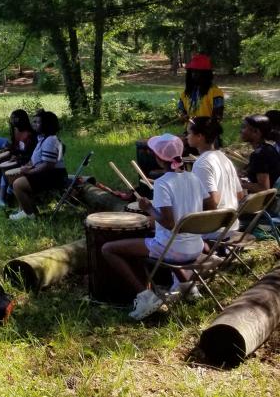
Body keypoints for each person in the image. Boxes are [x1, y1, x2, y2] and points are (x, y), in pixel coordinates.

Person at [101, 134, 206, 319]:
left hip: (173, 249)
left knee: (109, 249)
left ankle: (145, 297)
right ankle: (190, 289)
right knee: (166, 242)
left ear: (158, 158)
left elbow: (168, 222)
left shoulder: (163, 183)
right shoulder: (194, 178)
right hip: (195, 246)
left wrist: (148, 207)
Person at [186, 117, 243, 240]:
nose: (186, 137)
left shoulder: (202, 163)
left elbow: (213, 202)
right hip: (232, 225)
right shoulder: (224, 158)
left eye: (189, 133)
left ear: (199, 136)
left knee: (166, 226)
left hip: (214, 230)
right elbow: (239, 195)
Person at [9, 111, 67, 221]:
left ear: (46, 124)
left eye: (37, 122)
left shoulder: (50, 140)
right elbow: (36, 160)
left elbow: (48, 165)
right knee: (17, 178)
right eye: (34, 121)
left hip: (53, 176)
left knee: (18, 184)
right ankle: (27, 210)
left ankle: (30, 215)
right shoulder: (42, 139)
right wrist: (28, 166)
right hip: (47, 174)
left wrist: (30, 172)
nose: (33, 124)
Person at [0, 110, 37, 208]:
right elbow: (16, 147)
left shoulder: (30, 135)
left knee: (5, 173)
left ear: (22, 119)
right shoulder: (15, 131)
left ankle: (3, 199)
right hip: (18, 159)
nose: (13, 120)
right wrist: (8, 149)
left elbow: (31, 154)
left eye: (15, 118)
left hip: (26, 162)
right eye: (12, 118)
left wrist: (18, 158)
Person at [177, 53, 224, 124]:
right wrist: (182, 115)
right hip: (190, 132)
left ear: (206, 74)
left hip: (208, 133)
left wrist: (203, 126)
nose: (194, 74)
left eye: (198, 71)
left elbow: (218, 117)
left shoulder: (215, 92)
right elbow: (180, 110)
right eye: (192, 71)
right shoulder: (186, 93)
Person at [240, 114, 280, 193]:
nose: (241, 130)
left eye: (244, 127)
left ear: (256, 132)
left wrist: (239, 183)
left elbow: (264, 188)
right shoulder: (269, 148)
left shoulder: (259, 154)